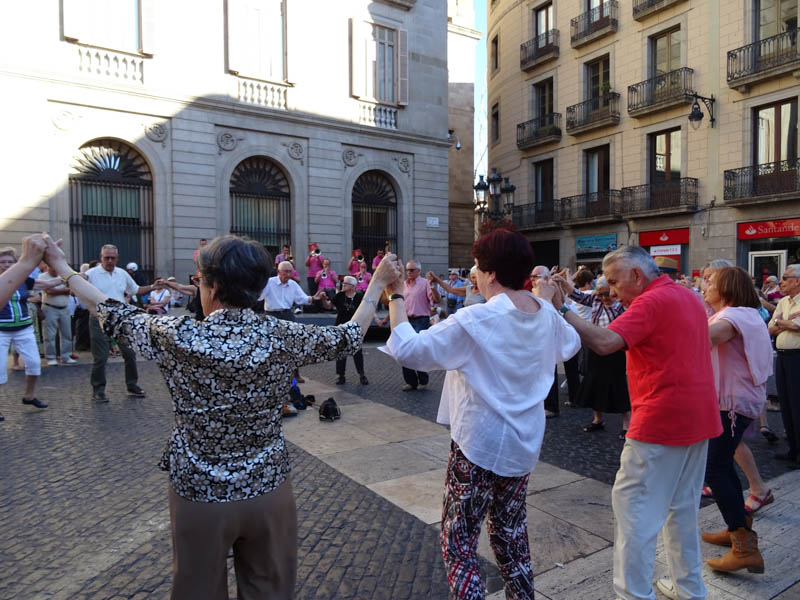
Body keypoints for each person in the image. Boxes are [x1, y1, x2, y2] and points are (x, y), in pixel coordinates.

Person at [42, 233, 401, 599]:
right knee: (270, 590)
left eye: (198, 280)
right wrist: (377, 282)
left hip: (199, 490)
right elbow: (350, 336)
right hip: (268, 484)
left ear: (211, 286)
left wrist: (60, 266)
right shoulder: (283, 336)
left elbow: (109, 309)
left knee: (197, 589)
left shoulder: (177, 335)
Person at [382, 230, 580, 600]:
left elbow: (410, 350)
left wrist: (393, 294)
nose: (473, 272)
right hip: (523, 445)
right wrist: (550, 301)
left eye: (476, 266)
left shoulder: (477, 320)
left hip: (479, 444)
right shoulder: (546, 316)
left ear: (489, 274)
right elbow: (571, 344)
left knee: (458, 544)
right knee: (511, 536)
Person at [539, 245, 720, 600]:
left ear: (637, 275)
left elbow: (605, 342)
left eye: (616, 282)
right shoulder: (685, 295)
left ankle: (634, 595)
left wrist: (562, 308)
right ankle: (690, 589)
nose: (612, 291)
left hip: (661, 419)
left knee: (635, 513)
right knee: (681, 509)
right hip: (698, 416)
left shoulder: (650, 302)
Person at [699, 266, 772, 574]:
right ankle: (736, 529)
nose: (704, 286)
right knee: (722, 465)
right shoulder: (743, 313)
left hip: (730, 405)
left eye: (710, 281)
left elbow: (702, 338)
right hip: (733, 403)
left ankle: (744, 546)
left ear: (727, 287)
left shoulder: (732, 317)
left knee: (715, 468)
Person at [554, 274, 630, 438]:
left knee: (618, 385)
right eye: (600, 294)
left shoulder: (622, 304)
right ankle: (598, 419)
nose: (604, 298)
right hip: (596, 347)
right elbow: (576, 295)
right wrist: (562, 282)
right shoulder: (595, 300)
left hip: (616, 348)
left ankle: (626, 424)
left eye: (606, 294)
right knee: (594, 382)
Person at [86, 244, 159, 403]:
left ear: (117, 258)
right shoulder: (91, 274)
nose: (110, 261)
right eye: (107, 258)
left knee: (130, 354)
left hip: (120, 319)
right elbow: (76, 287)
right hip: (99, 318)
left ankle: (132, 385)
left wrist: (153, 286)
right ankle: (98, 390)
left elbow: (136, 290)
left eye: (113, 258)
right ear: (101, 258)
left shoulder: (122, 273)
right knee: (101, 357)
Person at [0, 243, 65, 421]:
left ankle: (29, 396)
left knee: (34, 364)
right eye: (3, 262)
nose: (6, 265)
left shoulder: (22, 280)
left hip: (24, 327)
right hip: (1, 330)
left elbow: (45, 283)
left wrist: (69, 276)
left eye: (10, 262)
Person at [259, 260, 324, 394]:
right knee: (272, 347)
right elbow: (258, 297)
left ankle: (295, 374)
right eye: (286, 272)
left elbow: (302, 299)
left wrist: (313, 298)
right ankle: (272, 374)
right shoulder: (269, 282)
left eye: (291, 271)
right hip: (272, 316)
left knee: (293, 346)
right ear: (279, 272)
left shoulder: (293, 284)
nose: (289, 274)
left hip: (288, 315)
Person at [769, 263, 800, 470]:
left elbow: (798, 327)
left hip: (797, 357)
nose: (781, 281)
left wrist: (784, 323)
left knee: (798, 404)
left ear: (797, 281)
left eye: (786, 277)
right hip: (782, 357)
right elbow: (771, 328)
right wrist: (786, 322)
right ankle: (793, 449)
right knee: (786, 404)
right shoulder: (782, 302)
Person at [320, 276, 370, 385]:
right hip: (340, 327)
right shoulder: (339, 296)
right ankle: (340, 375)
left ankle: (361, 374)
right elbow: (328, 306)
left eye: (345, 284)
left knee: (357, 352)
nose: (343, 285)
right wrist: (324, 299)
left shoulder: (359, 297)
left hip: (355, 328)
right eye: (343, 283)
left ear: (353, 286)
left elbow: (367, 310)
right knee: (341, 352)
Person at [399, 260, 440, 391]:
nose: (408, 272)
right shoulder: (403, 285)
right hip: (406, 320)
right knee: (404, 351)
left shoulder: (425, 283)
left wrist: (433, 286)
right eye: (407, 270)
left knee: (417, 350)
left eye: (411, 270)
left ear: (418, 271)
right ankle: (411, 382)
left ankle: (423, 378)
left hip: (421, 320)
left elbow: (436, 300)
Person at [38, 264, 77, 365]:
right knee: (49, 335)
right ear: (47, 267)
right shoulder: (43, 277)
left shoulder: (64, 276)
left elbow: (72, 291)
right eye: (52, 267)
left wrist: (61, 291)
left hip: (64, 307)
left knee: (67, 334)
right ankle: (51, 357)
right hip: (50, 307)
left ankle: (66, 356)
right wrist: (66, 291)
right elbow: (49, 291)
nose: (55, 270)